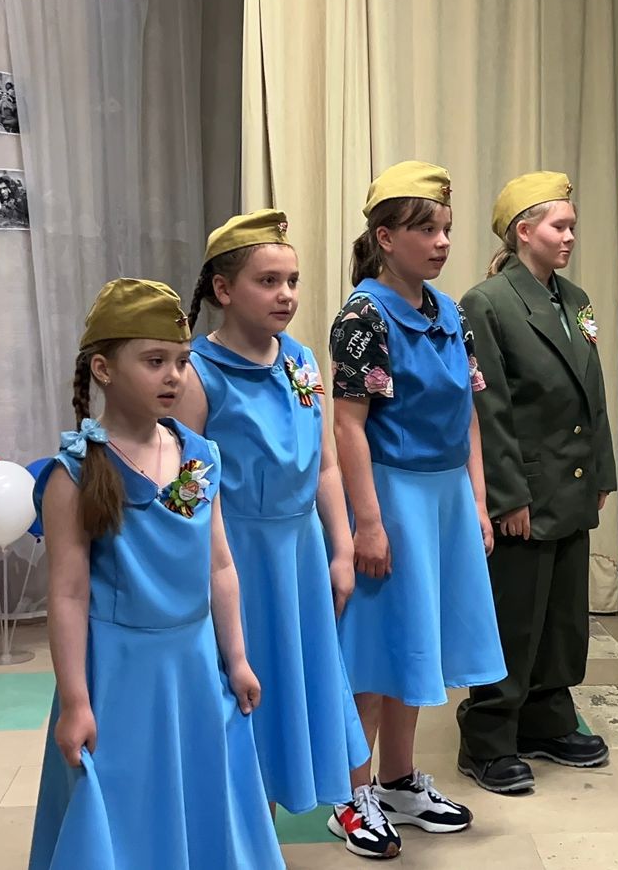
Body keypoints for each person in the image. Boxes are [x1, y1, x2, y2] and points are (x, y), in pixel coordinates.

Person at [26, 279, 284, 869]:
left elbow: (220, 564)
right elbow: (68, 594)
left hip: (194, 664)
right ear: (104, 369)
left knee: (200, 794)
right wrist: (75, 702)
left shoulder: (200, 456)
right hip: (121, 674)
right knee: (129, 802)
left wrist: (237, 658)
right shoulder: (76, 474)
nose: (174, 376)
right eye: (154, 361)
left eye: (182, 362)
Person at [327, 161, 507, 859]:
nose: (442, 243)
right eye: (427, 230)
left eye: (446, 230)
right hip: (392, 495)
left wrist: (479, 502)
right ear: (385, 237)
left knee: (416, 643)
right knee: (374, 651)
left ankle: (400, 780)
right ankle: (353, 793)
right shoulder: (364, 316)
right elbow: (348, 427)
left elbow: (469, 415)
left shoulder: (450, 312)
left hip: (446, 498)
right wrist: (368, 524)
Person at [176, 210, 371, 825]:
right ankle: (243, 832)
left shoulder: (302, 360)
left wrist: (342, 547)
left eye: (292, 280)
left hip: (301, 550)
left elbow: (325, 466)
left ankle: (286, 817)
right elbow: (186, 491)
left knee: (299, 678)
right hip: (238, 555)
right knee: (247, 684)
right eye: (267, 281)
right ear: (223, 289)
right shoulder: (197, 375)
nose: (286, 294)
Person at [454, 171, 616, 794]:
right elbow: (487, 407)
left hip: (571, 483)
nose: (570, 236)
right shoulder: (488, 302)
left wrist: (601, 469)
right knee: (514, 619)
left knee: (562, 618)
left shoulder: (574, 299)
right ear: (524, 231)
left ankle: (547, 720)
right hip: (524, 489)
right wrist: (508, 494)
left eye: (573, 226)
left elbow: (592, 393)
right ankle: (489, 737)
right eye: (559, 226)